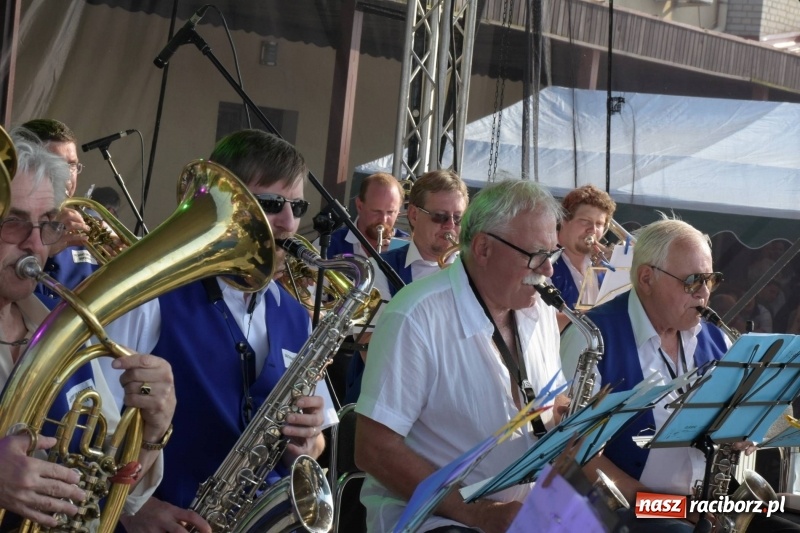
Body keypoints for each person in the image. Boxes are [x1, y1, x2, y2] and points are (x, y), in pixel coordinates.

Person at [102, 129, 338, 532]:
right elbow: (93, 431)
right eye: (271, 203)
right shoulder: (152, 298)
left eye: (297, 205)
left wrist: (308, 440)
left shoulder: (296, 316)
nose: (289, 221)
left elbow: (315, 446)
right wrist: (133, 508)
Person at [355, 180, 569, 533]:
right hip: (432, 519)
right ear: (484, 248)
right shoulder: (415, 316)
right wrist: (478, 514)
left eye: (553, 254)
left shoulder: (540, 309)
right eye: (537, 256)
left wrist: (567, 417)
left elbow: (551, 398)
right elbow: (374, 449)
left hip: (519, 512)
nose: (548, 270)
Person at [561, 216, 799, 533]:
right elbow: (573, 455)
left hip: (698, 506)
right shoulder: (592, 337)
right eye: (692, 281)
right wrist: (672, 507)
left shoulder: (718, 339)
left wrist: (744, 429)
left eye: (710, 280)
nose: (703, 294)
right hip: (622, 509)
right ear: (646, 278)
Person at [0, 131, 175, 527]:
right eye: (14, 223)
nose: (34, 245)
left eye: (46, 224)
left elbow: (109, 488)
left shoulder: (58, 328)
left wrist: (153, 429)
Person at [343, 169, 469, 404]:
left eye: (458, 218)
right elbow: (370, 348)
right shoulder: (376, 269)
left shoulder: (471, 271)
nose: (450, 226)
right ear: (413, 215)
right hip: (386, 400)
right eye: (440, 217)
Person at [21, 119, 95, 309]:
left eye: (72, 165)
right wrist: (45, 249)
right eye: (55, 164)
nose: (67, 177)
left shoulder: (91, 228)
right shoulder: (11, 225)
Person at [550, 184, 616, 313]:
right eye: (585, 221)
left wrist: (616, 278)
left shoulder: (601, 266)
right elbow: (547, 323)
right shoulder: (546, 263)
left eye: (599, 224)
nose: (593, 230)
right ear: (564, 220)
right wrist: (602, 314)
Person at [321, 172, 409, 258]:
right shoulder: (329, 243)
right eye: (376, 211)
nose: (383, 219)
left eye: (390, 212)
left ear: (398, 212)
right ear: (359, 206)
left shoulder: (408, 248)